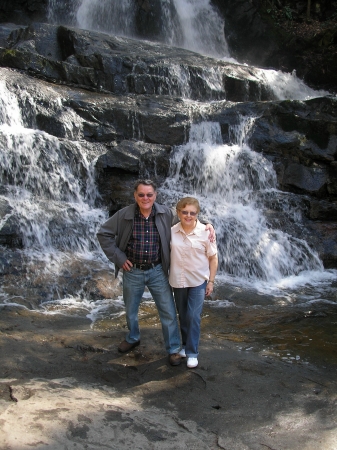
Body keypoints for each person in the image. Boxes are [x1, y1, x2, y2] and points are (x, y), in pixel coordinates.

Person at [96, 180, 214, 367]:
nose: (145, 198)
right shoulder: (124, 215)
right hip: (132, 270)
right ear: (135, 196)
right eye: (141, 195)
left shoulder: (165, 213)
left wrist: (207, 224)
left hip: (158, 269)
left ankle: (173, 349)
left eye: (149, 194)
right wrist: (119, 258)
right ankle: (133, 337)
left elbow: (188, 219)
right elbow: (104, 234)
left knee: (167, 311)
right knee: (131, 310)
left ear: (155, 196)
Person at [169, 197, 218, 369]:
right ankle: (184, 346)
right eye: (185, 212)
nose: (188, 216)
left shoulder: (206, 232)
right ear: (178, 213)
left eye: (192, 213)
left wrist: (211, 281)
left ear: (197, 214)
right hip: (178, 279)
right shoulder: (172, 231)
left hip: (198, 280)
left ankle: (192, 353)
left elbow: (213, 258)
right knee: (182, 315)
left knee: (193, 316)